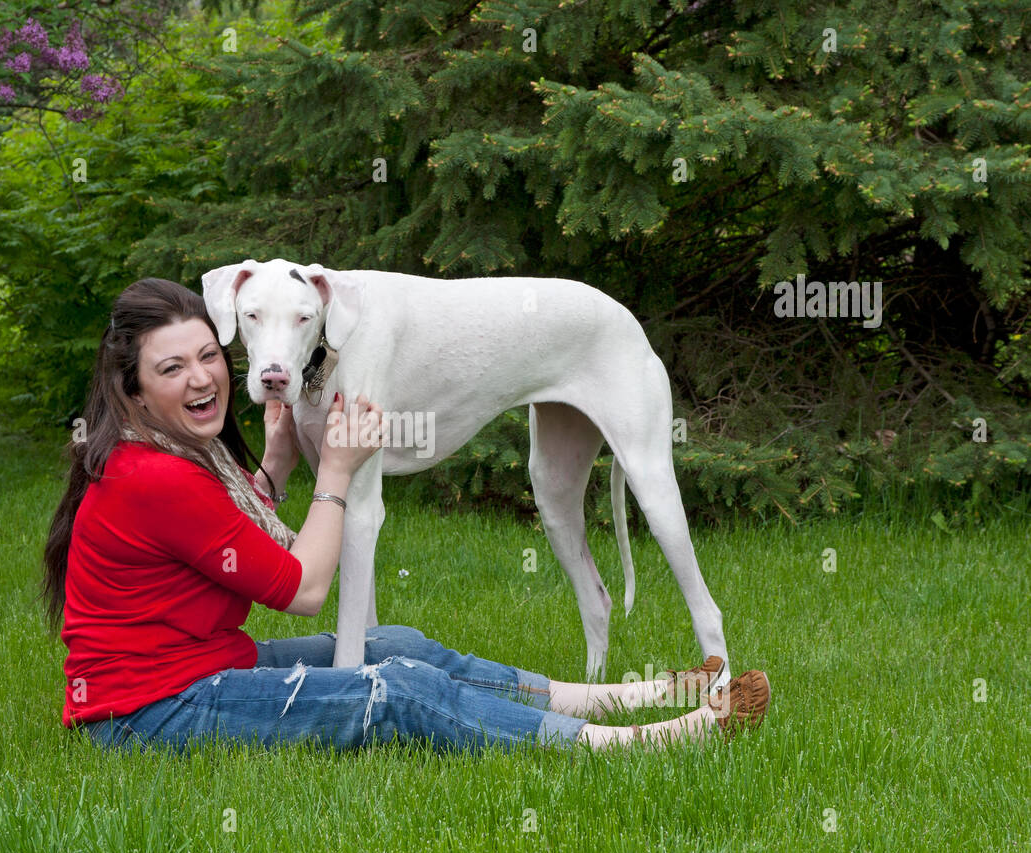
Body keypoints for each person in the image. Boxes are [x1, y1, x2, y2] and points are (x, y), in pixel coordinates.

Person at [41, 277, 771, 755]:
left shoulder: (161, 455)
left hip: (202, 669)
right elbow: (302, 589)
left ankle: (634, 692)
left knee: (395, 644)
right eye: (172, 369)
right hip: (150, 715)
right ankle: (634, 743)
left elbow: (227, 541)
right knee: (396, 689)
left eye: (207, 356)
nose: (202, 377)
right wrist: (334, 471)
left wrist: (277, 469)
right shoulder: (154, 476)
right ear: (131, 388)